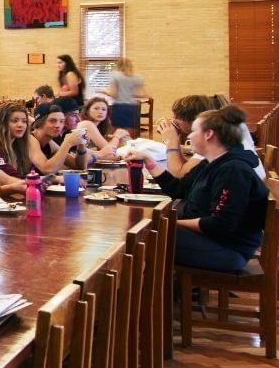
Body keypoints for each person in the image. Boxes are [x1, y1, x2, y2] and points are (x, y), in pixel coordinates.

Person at [141, 105, 268, 272]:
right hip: (212, 239)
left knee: (145, 236)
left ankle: (154, 295)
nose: (189, 136)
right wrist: (148, 161)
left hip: (229, 250)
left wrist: (173, 223)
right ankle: (165, 292)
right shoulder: (211, 162)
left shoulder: (232, 170)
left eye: (194, 131)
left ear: (209, 134)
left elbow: (221, 224)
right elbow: (178, 189)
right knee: (147, 230)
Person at [157, 94, 267, 181]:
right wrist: (175, 141)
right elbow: (189, 171)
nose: (174, 121)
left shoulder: (214, 143)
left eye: (177, 117)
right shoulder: (223, 133)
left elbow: (179, 176)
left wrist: (171, 142)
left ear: (194, 120)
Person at [0, 102, 33, 182]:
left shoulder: (18, 147)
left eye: (24, 121)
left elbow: (29, 174)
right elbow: (11, 178)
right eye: (14, 121)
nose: (20, 125)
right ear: (2, 123)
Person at [27, 106, 86, 174]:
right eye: (52, 121)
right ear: (40, 122)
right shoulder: (30, 139)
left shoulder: (49, 143)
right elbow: (47, 170)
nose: (58, 125)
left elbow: (78, 166)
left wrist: (81, 143)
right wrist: (67, 143)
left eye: (61, 121)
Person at [105, 57, 145, 132]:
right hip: (132, 107)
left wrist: (103, 91)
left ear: (118, 66)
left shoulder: (115, 76)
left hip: (119, 106)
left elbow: (113, 94)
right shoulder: (137, 78)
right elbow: (141, 94)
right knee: (129, 133)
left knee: (116, 133)